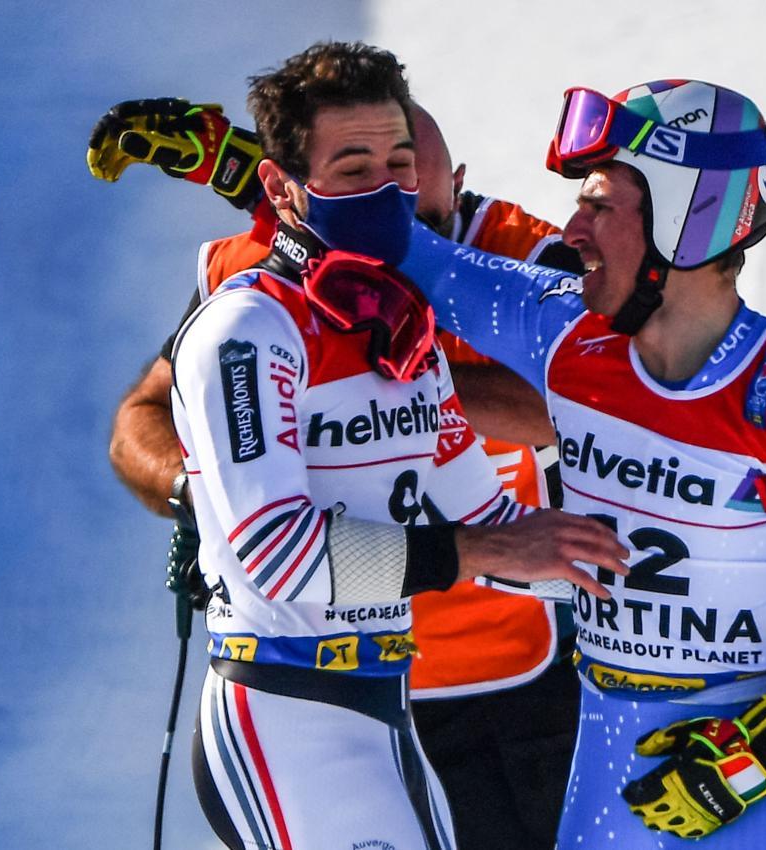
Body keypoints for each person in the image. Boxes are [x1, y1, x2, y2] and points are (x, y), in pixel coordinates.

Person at [376, 79, 766, 847]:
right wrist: (254, 167)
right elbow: (415, 253)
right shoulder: (564, 333)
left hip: (755, 790)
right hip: (608, 770)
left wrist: (758, 749)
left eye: (600, 206)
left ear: (688, 218)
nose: (571, 230)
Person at [101, 42, 629, 850]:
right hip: (285, 704)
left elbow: (497, 510)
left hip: (404, 693)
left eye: (401, 168)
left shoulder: (405, 324)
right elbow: (275, 555)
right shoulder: (248, 325)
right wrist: (201, 492)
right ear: (280, 187)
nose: (389, 198)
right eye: (354, 169)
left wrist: (647, 593)